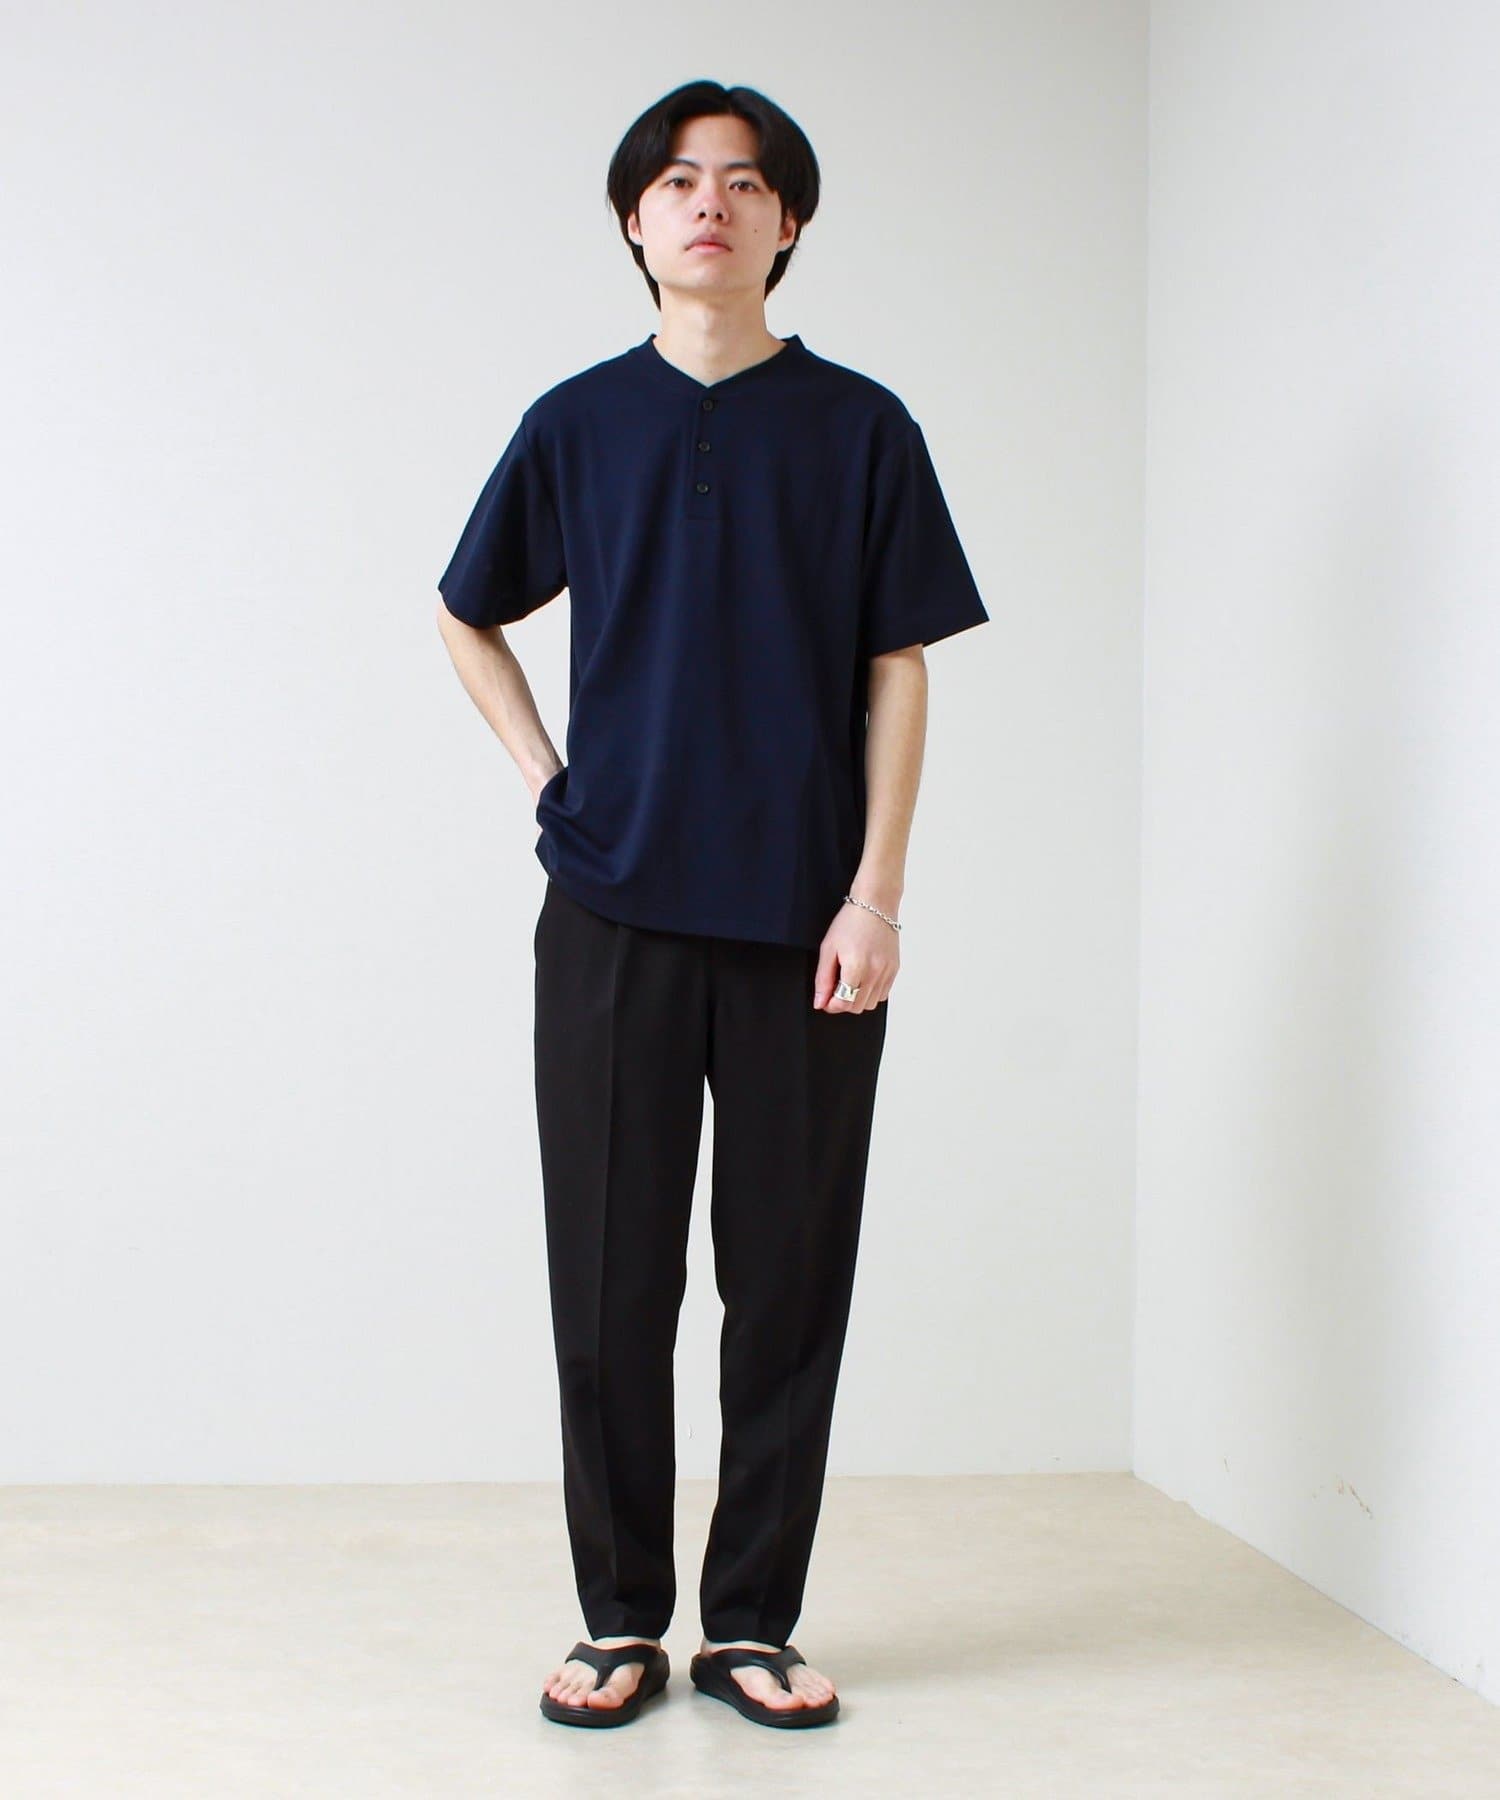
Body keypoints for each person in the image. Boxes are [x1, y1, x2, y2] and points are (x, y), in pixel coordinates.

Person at [436, 78, 989, 1732]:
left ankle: (751, 1621)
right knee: (610, 1282)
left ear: (788, 221)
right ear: (634, 218)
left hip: (805, 920)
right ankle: (619, 1617)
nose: (710, 206)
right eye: (679, 181)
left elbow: (899, 669)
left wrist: (877, 894)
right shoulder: (577, 422)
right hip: (612, 911)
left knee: (788, 1279)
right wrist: (548, 780)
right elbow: (467, 611)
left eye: (745, 184)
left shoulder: (862, 428)